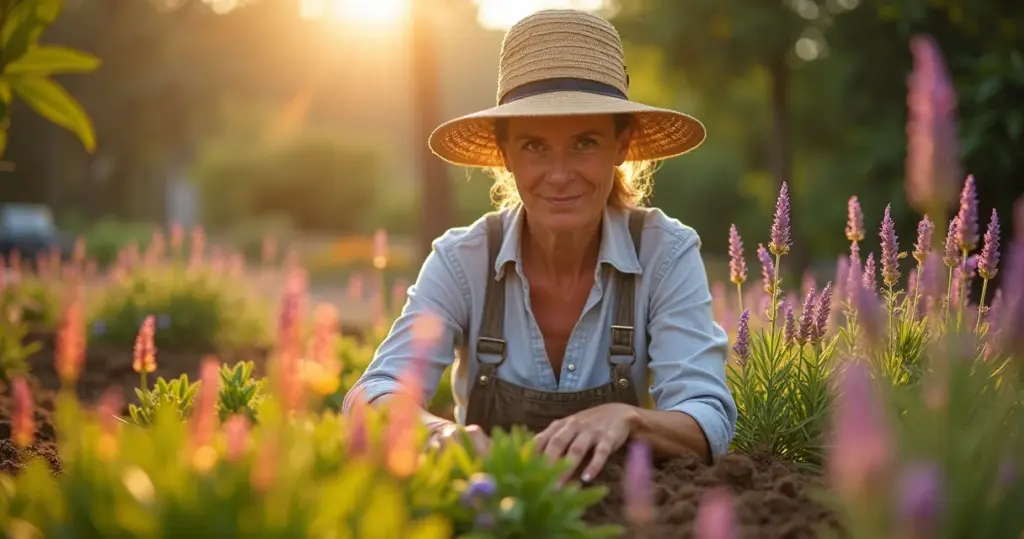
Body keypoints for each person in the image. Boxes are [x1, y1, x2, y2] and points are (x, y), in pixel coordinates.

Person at [343, 8, 736, 481]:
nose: (560, 174)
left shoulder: (665, 253)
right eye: (534, 146)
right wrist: (437, 433)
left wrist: (628, 419)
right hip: (490, 511)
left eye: (585, 143)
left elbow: (708, 415)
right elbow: (375, 392)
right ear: (506, 155)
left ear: (622, 145)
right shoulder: (462, 259)